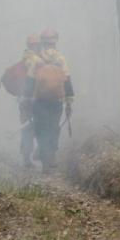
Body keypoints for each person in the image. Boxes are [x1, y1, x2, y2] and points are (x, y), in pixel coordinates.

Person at [23, 27, 73, 172]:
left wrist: (27, 99)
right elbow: (67, 81)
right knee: (53, 128)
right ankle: (51, 156)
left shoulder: (36, 60)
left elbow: (30, 81)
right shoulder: (61, 59)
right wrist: (69, 103)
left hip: (39, 102)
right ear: (55, 42)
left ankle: (45, 161)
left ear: (43, 42)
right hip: (57, 101)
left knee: (41, 129)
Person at [19, 34, 42, 167]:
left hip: (28, 100)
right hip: (30, 100)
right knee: (29, 128)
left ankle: (30, 156)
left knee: (29, 128)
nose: (37, 46)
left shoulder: (28, 58)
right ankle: (27, 158)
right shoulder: (32, 59)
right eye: (35, 44)